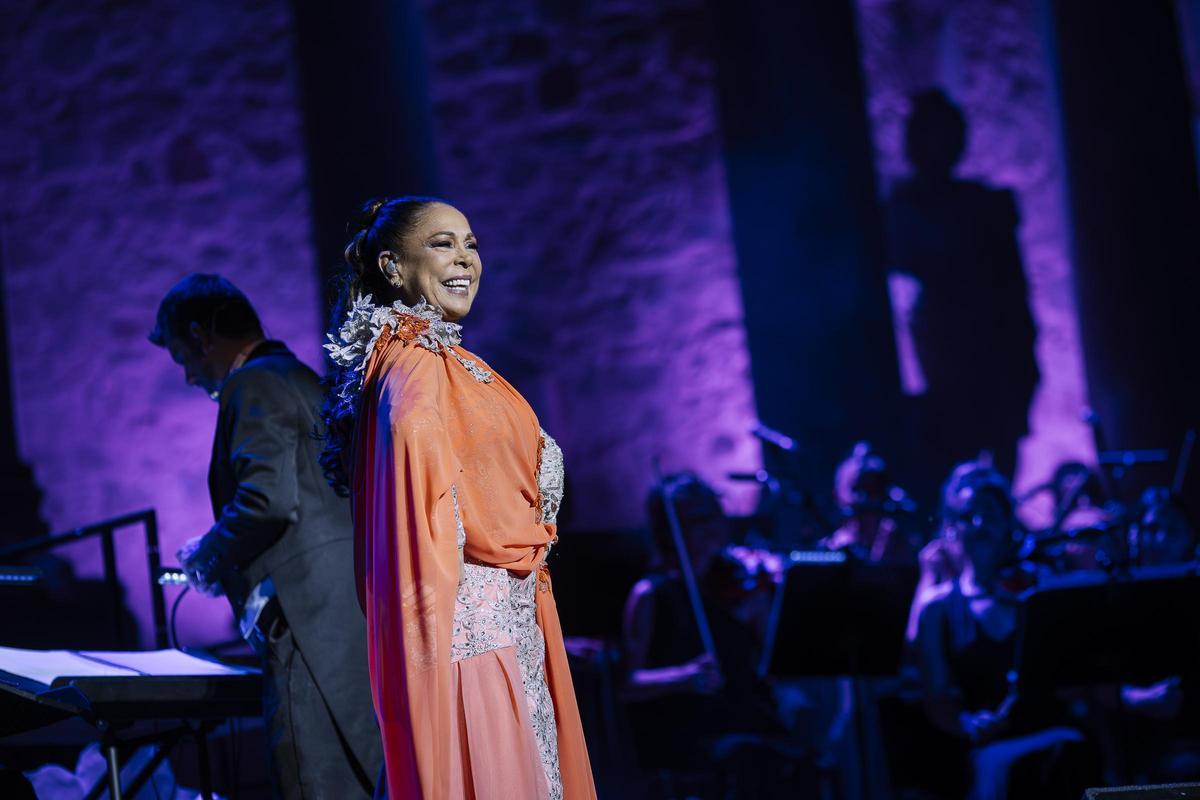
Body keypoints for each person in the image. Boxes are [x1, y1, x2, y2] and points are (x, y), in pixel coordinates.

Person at [320, 197, 595, 800]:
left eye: (471, 243)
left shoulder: (437, 357)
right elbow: (421, 490)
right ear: (393, 266)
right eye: (443, 243)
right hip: (474, 644)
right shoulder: (415, 362)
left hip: (508, 632)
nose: (465, 258)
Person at [150, 274, 383, 797]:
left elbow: (266, 500)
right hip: (341, 611)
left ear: (201, 335)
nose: (189, 377)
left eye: (183, 358)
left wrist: (207, 556)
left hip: (305, 618)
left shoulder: (251, 383)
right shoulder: (295, 376)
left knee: (314, 779)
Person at [914, 462, 1096, 800]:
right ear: (953, 528)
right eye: (968, 516)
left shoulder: (1038, 589)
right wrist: (967, 723)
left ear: (1008, 523)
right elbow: (937, 698)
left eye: (990, 514)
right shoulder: (938, 608)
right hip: (991, 746)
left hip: (1053, 731)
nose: (980, 524)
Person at [621, 474, 801, 798]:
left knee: (790, 752)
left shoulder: (737, 587)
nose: (714, 527)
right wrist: (683, 676)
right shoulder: (651, 595)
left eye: (715, 514)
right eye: (700, 519)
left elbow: (766, 664)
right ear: (672, 529)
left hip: (742, 719)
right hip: (688, 731)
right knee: (750, 758)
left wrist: (766, 601)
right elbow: (627, 684)